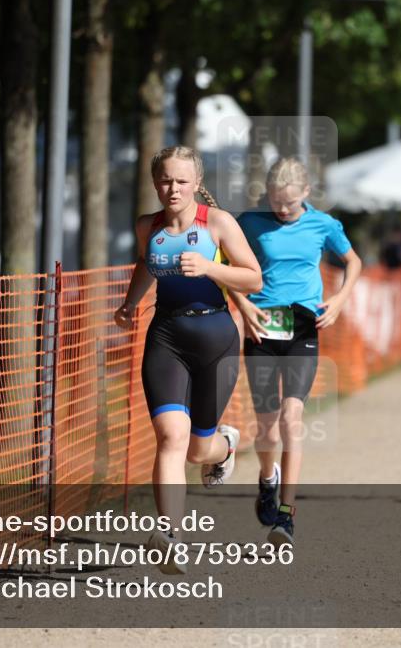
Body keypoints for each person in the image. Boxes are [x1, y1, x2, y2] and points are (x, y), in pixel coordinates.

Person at [114, 145, 262, 574]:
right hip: (166, 336)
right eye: (164, 180)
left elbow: (253, 278)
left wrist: (211, 268)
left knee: (199, 450)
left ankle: (226, 445)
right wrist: (129, 304)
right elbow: (145, 263)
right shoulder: (148, 226)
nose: (172, 188)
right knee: (170, 438)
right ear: (154, 182)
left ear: (196, 182)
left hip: (215, 337)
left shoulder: (218, 224)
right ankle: (171, 536)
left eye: (181, 181)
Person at [231, 157, 362, 546]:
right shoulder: (250, 223)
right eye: (275, 200)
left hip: (304, 327)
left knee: (292, 416)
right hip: (262, 329)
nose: (282, 209)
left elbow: (354, 262)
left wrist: (338, 300)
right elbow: (228, 267)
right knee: (267, 425)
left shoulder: (323, 224)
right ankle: (268, 479)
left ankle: (286, 514)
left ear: (306, 193)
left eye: (288, 202)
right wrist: (243, 304)